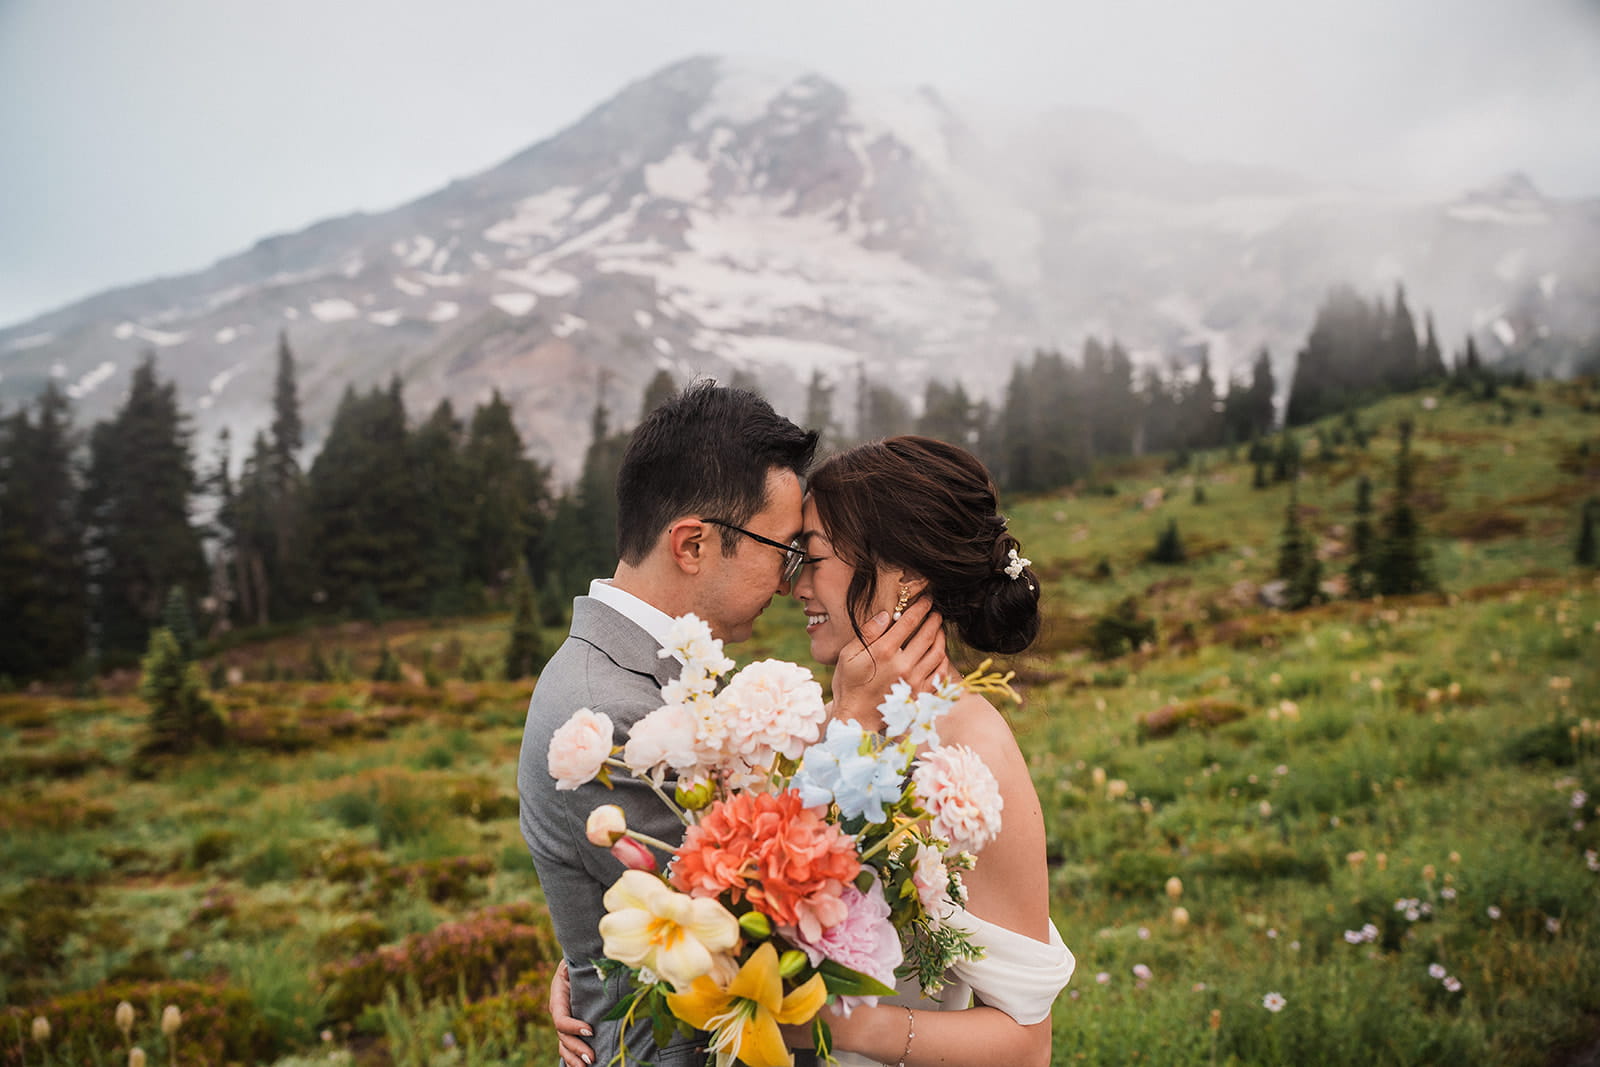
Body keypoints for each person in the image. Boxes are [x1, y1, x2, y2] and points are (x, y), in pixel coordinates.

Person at [552, 433, 1074, 1067]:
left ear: (903, 578)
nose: (793, 585)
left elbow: (1026, 1046)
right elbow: (729, 876)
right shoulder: (830, 719)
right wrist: (614, 960)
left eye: (814, 557)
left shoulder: (969, 751)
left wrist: (840, 1026)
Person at [521, 384, 945, 1067]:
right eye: (780, 550)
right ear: (692, 543)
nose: (788, 583)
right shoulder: (609, 713)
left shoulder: (641, 671)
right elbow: (747, 935)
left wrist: (587, 956)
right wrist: (853, 730)